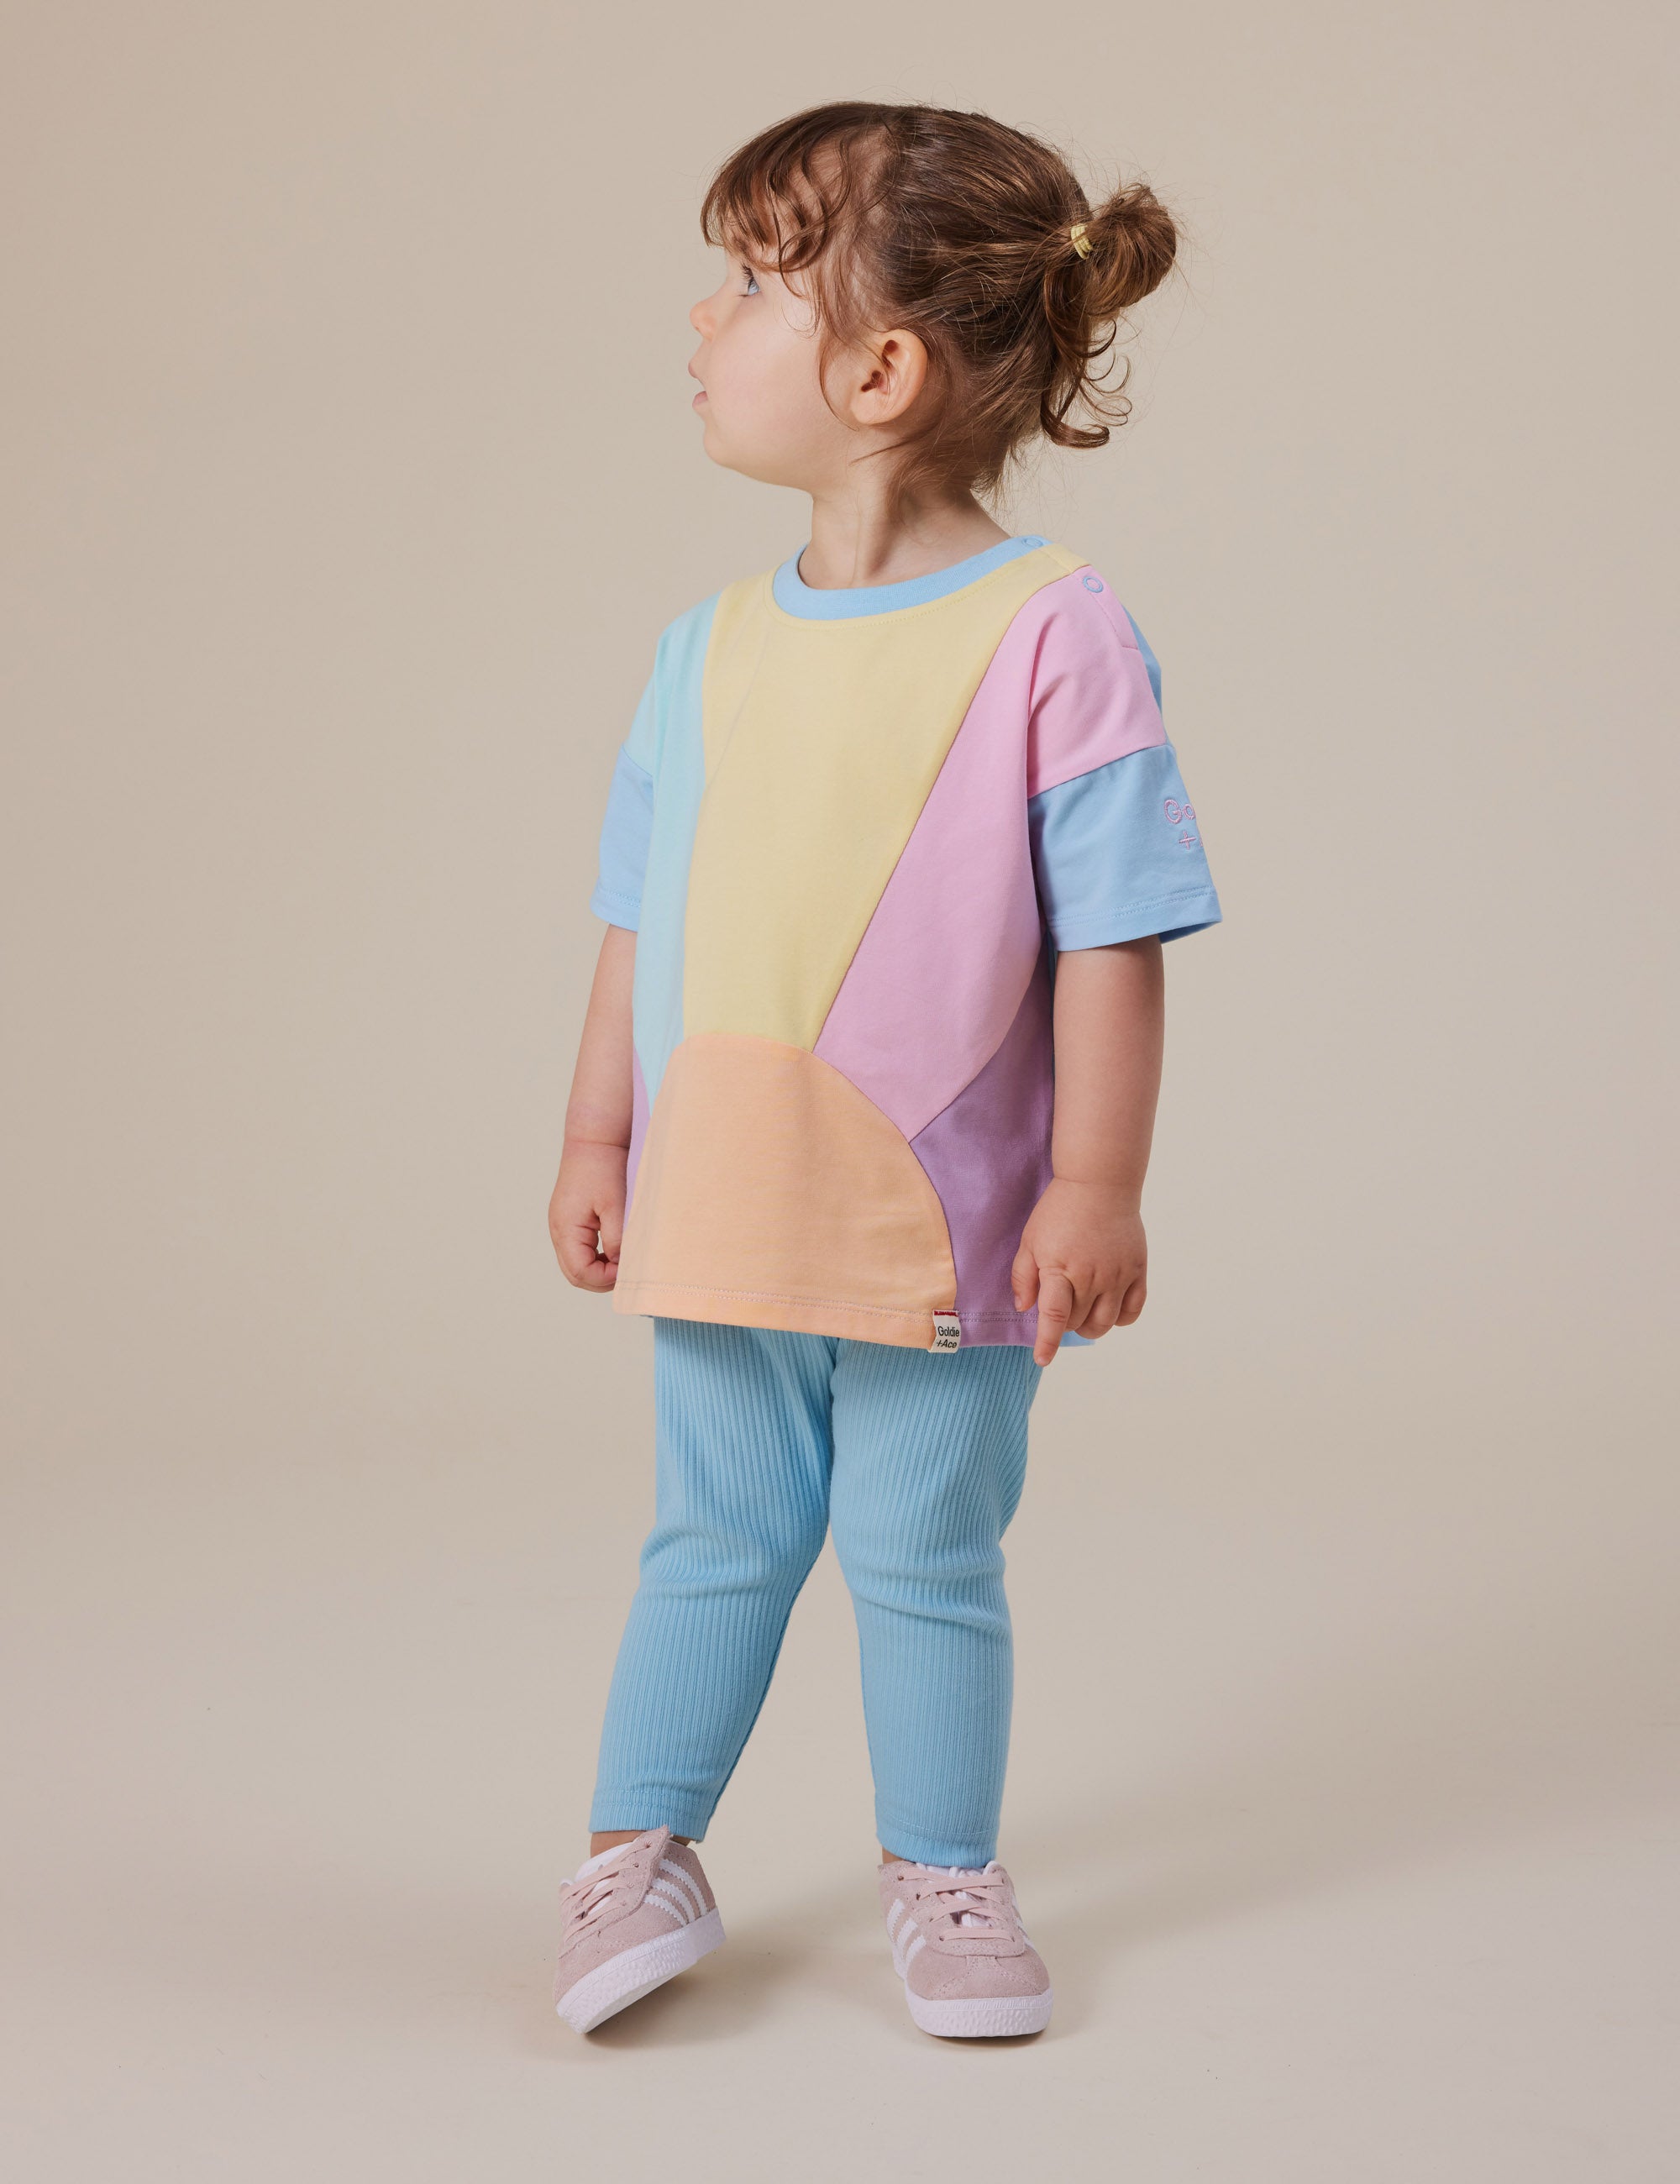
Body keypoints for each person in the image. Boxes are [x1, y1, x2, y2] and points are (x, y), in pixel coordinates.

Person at [546, 100, 1221, 2040]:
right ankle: (633, 1849)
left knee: (925, 1547)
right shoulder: (703, 650)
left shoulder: (1050, 634)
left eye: (750, 283)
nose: (700, 315)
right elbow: (633, 918)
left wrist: (1096, 1187)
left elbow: (1114, 933)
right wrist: (600, 1127)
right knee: (712, 1532)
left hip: (950, 1225)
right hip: (726, 1185)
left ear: (875, 368)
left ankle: (942, 1869)